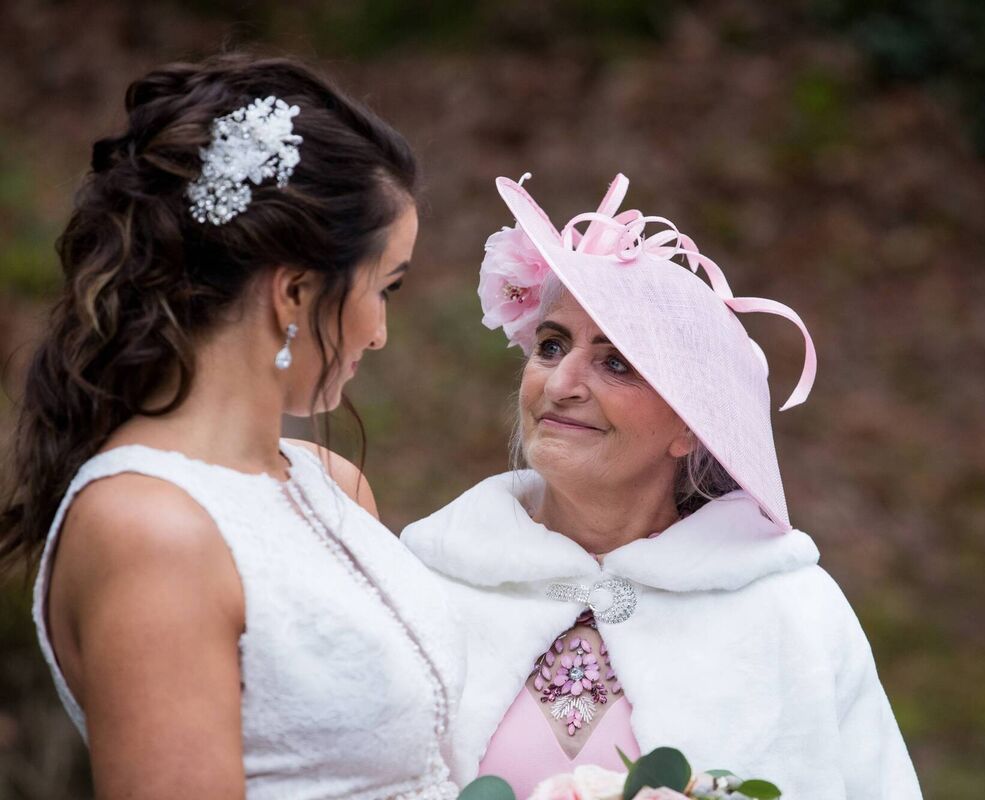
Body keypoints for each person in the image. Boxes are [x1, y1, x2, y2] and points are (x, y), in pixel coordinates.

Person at [0, 54, 461, 799]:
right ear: (296, 290)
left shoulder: (331, 482)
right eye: (386, 288)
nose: (379, 333)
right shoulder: (148, 529)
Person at [403, 173, 921, 798]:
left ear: (690, 427)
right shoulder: (424, 583)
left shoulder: (791, 613)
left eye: (616, 362)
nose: (561, 382)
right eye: (550, 344)